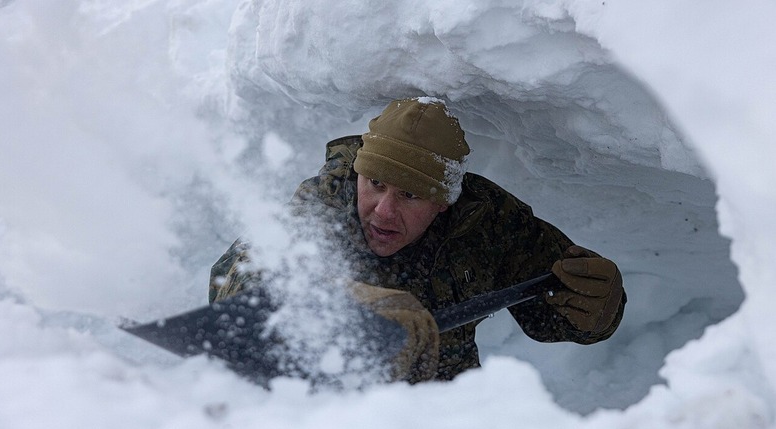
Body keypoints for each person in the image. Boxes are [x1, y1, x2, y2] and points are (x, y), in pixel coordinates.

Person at [209, 97, 626, 384]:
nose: (383, 211)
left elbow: (551, 310)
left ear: (445, 203)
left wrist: (598, 310)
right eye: (374, 183)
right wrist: (334, 297)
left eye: (410, 195)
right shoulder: (327, 201)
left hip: (443, 414)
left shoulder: (485, 222)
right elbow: (236, 278)